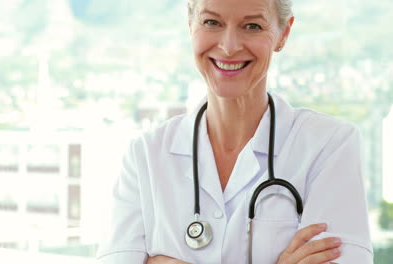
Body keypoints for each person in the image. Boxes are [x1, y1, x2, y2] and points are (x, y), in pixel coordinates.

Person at [96, 0, 373, 263]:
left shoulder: (330, 146)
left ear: (283, 34)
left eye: (252, 26)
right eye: (211, 22)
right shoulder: (144, 156)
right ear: (190, 24)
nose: (229, 47)